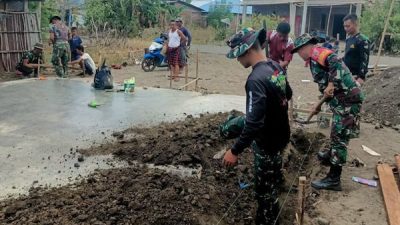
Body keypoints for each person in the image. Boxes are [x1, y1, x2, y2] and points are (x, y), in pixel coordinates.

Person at [223, 28, 292, 225]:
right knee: (272, 181)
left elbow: (254, 123)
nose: (237, 60)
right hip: (280, 137)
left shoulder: (255, 80)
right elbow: (288, 94)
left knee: (264, 193)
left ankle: (268, 220)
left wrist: (234, 151)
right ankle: (273, 211)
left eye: (237, 55)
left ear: (246, 51)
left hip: (267, 142)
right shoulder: (275, 66)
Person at [291, 34, 364, 191]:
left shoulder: (316, 52)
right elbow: (328, 91)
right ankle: (330, 155)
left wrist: (331, 83)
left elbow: (334, 60)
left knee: (340, 138)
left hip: (348, 101)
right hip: (342, 100)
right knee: (337, 132)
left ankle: (334, 179)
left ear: (305, 47)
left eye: (298, 51)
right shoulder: (313, 58)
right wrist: (319, 105)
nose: (299, 54)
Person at [343, 14, 370, 86]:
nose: (345, 28)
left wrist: (361, 77)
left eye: (348, 26)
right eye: (344, 26)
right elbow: (348, 55)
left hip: (356, 77)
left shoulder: (362, 40)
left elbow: (365, 60)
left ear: (355, 24)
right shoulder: (348, 39)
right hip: (347, 74)